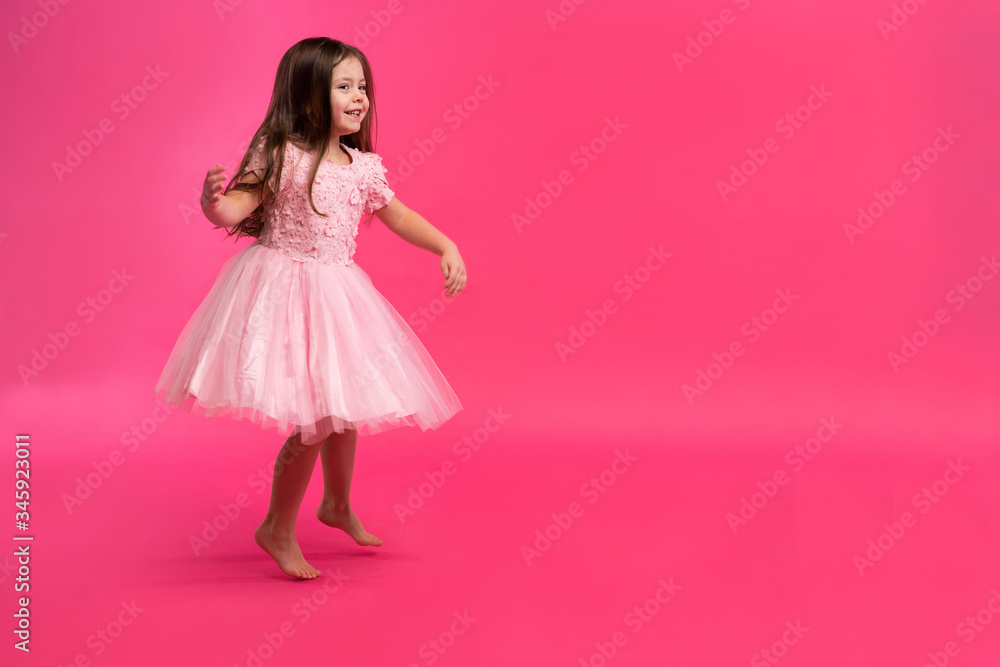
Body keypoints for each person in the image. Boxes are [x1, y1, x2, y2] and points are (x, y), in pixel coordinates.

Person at [154, 37, 466, 580]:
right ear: (307, 98)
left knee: (343, 404)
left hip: (338, 294)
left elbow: (398, 216)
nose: (359, 96)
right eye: (344, 86)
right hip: (283, 292)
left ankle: (336, 504)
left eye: (362, 86)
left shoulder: (361, 166)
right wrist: (213, 205)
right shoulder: (281, 155)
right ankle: (277, 526)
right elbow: (237, 206)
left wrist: (445, 245)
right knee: (317, 418)